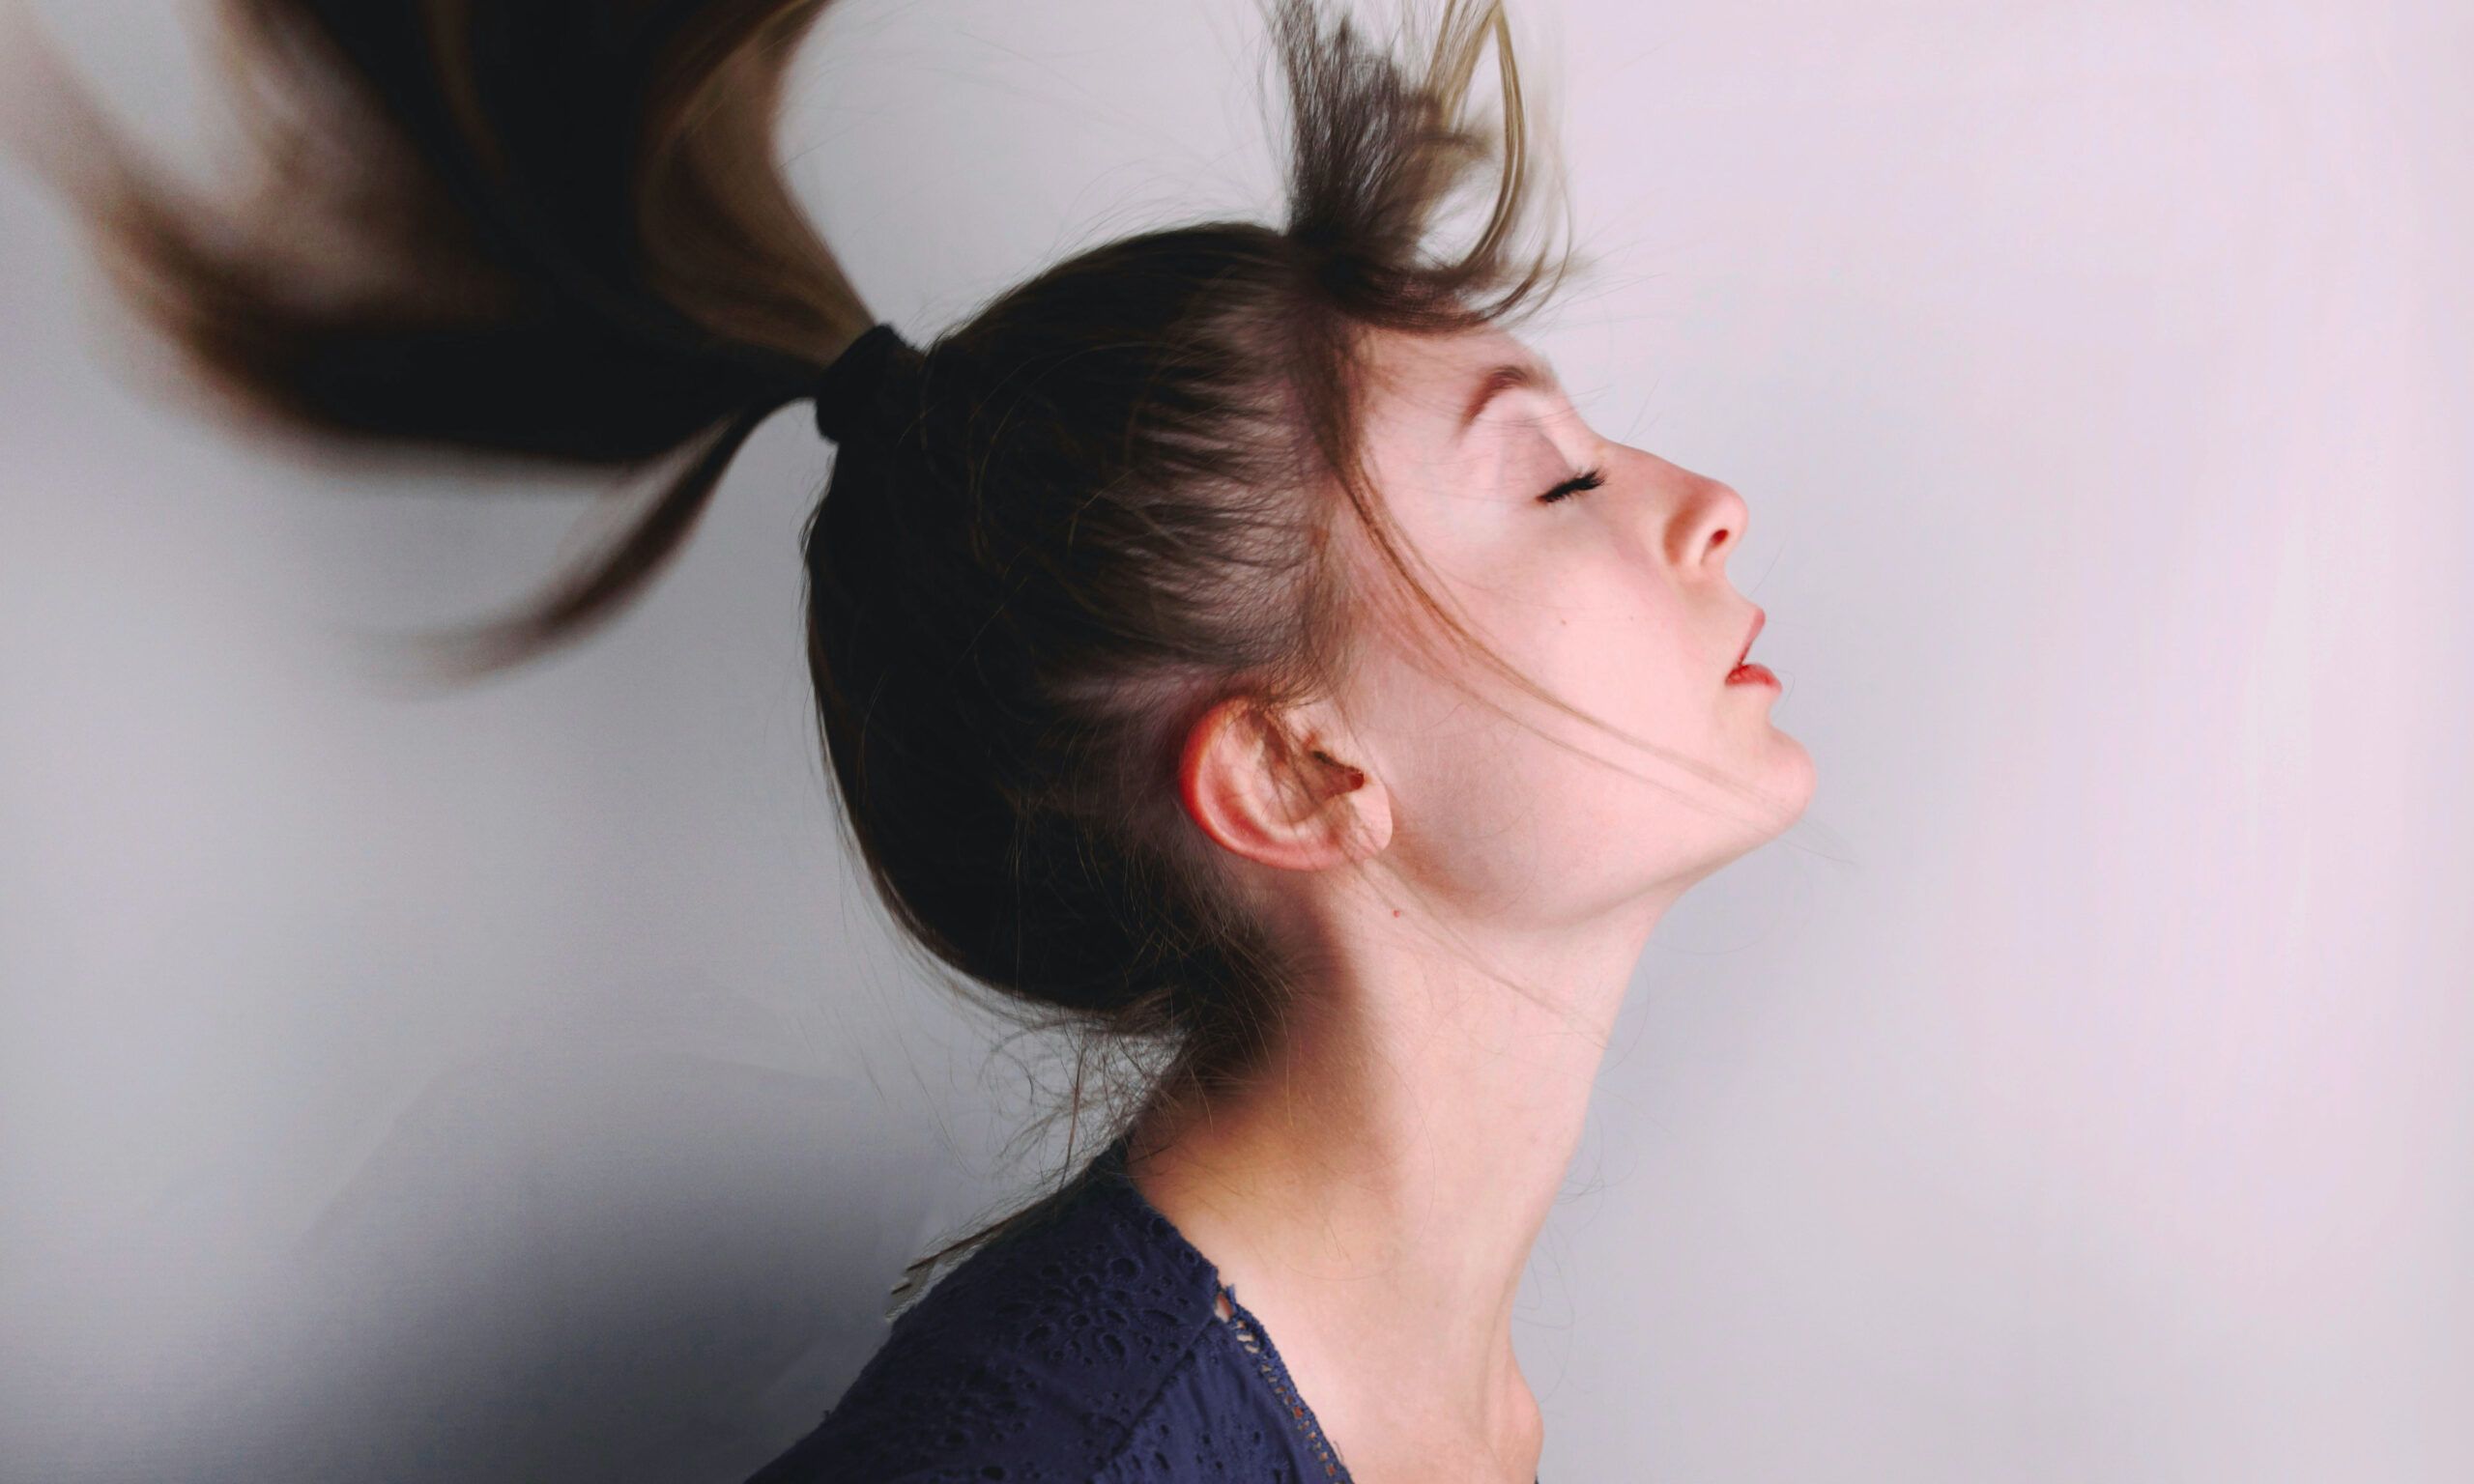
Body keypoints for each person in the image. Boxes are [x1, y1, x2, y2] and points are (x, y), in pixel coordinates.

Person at [4, 0, 1815, 1477]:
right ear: (1295, 774)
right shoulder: (1059, 1458)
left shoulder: (1453, 1417)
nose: (1707, 505)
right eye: (1557, 476)